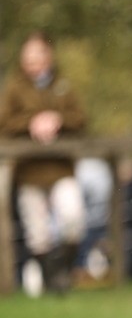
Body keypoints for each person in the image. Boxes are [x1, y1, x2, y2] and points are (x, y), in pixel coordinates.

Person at [0, 31, 87, 294]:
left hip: (61, 169)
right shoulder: (13, 88)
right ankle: (53, 283)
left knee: (73, 218)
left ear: (48, 56)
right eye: (28, 57)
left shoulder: (64, 85)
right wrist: (32, 123)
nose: (33, 62)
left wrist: (56, 118)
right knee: (37, 233)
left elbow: (81, 119)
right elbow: (4, 123)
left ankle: (63, 272)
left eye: (38, 55)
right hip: (28, 172)